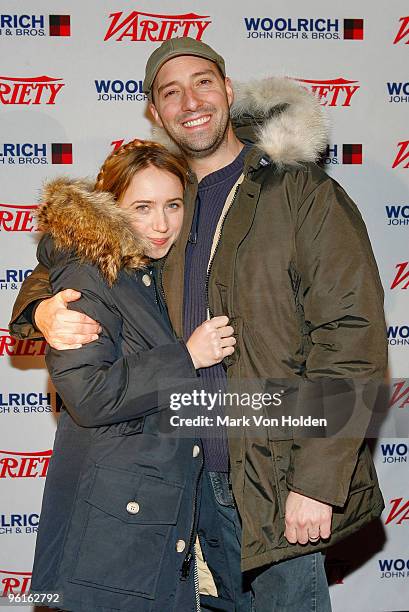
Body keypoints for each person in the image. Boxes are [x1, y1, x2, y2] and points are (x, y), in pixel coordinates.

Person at [10, 39, 387, 611]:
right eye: (170, 92)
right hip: (184, 490)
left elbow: (352, 340)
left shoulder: (300, 193)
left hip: (278, 480)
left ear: (229, 92)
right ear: (155, 113)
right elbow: (74, 247)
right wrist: (39, 308)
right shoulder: (164, 195)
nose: (191, 101)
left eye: (203, 82)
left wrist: (318, 480)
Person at [27, 139, 236, 612]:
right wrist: (187, 356)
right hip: (113, 524)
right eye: (142, 207)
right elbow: (90, 395)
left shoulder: (148, 268)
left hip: (149, 514)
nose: (161, 224)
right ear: (110, 209)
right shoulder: (89, 274)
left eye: (173, 205)